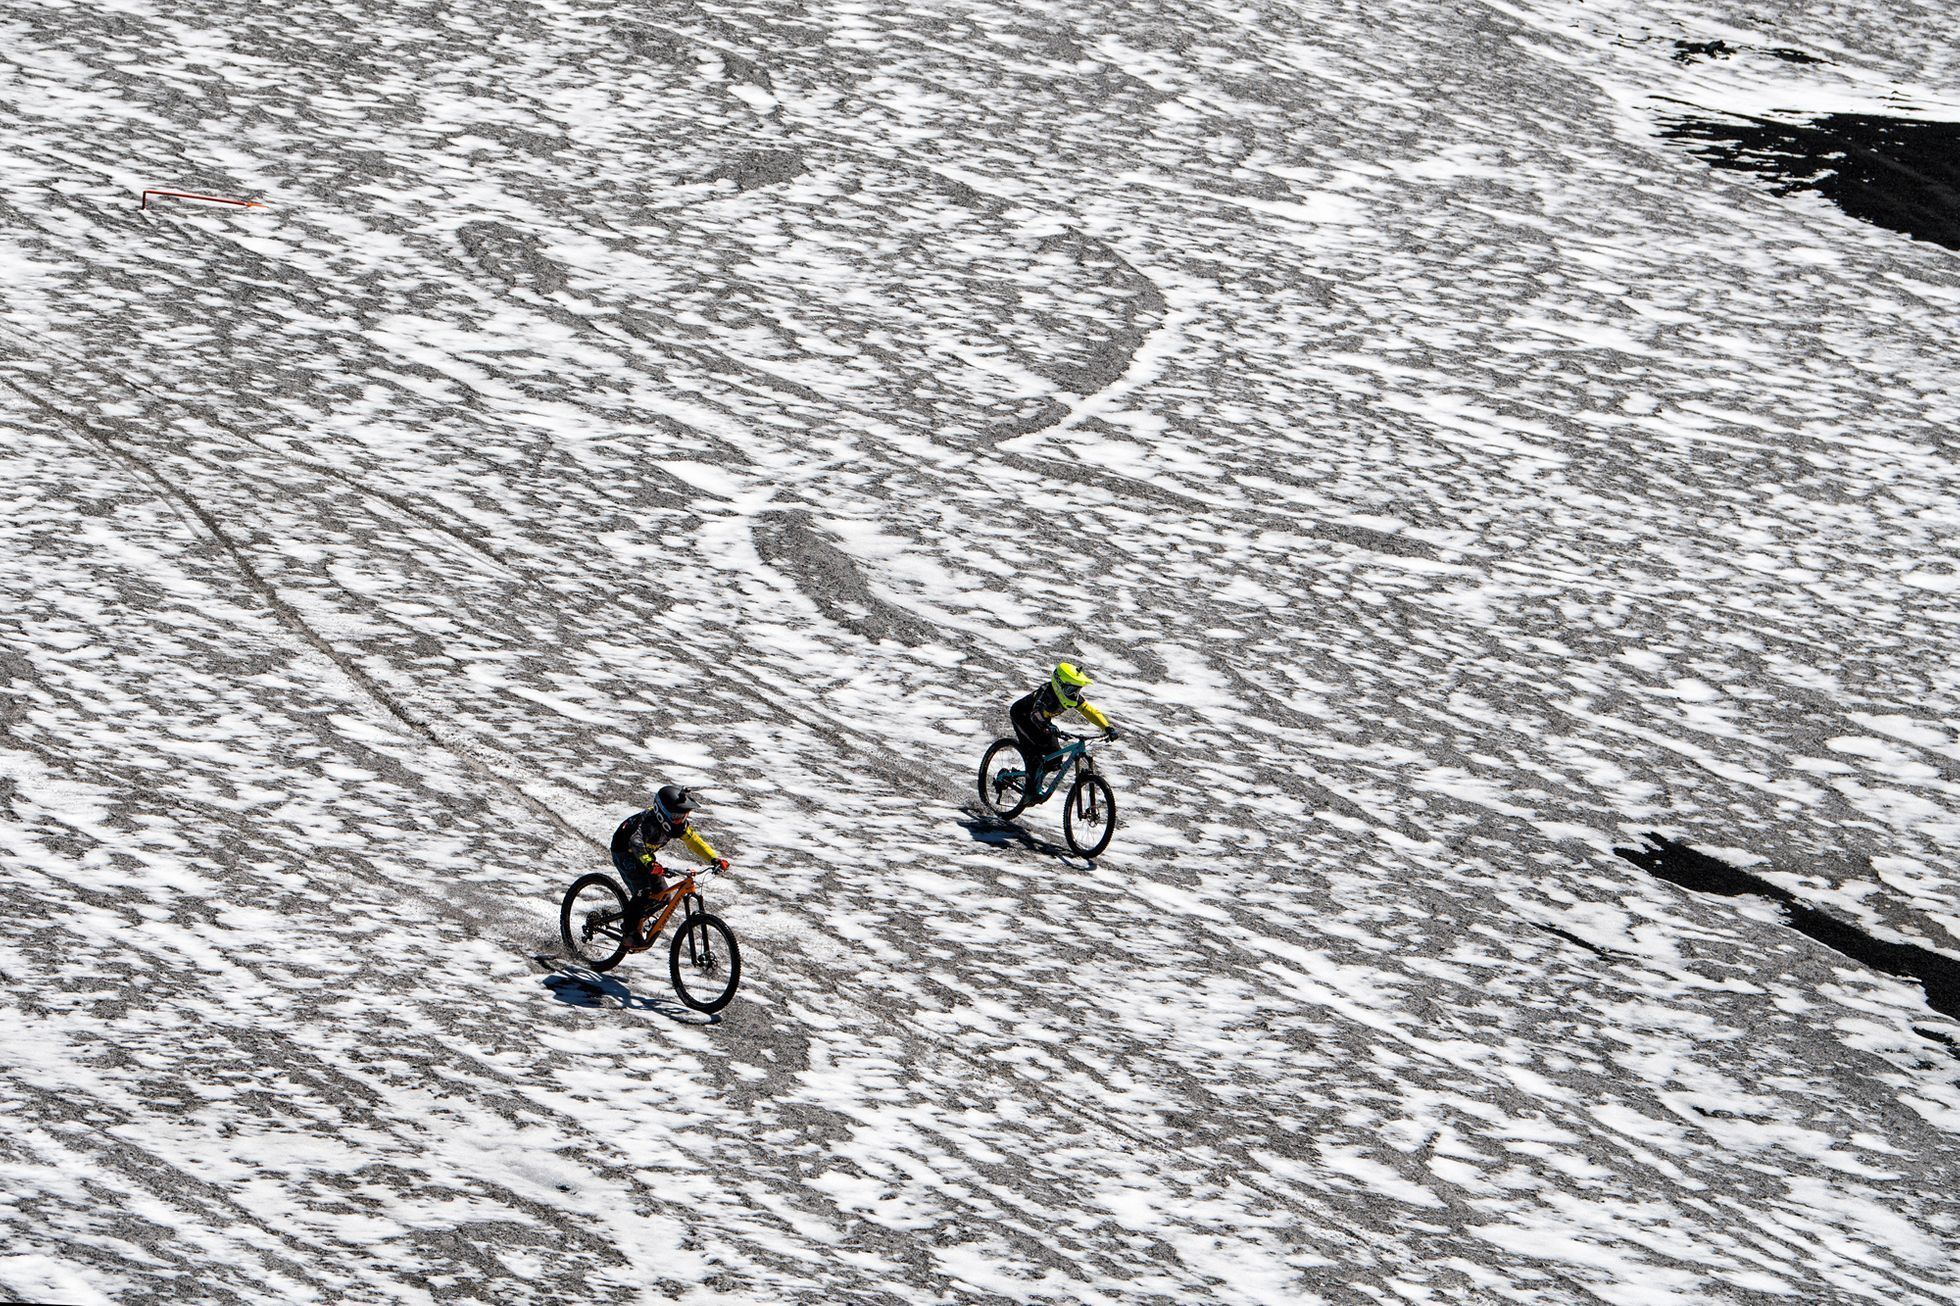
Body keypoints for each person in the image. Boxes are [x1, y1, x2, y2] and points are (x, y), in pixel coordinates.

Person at [1010, 662, 1118, 802]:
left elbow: (1090, 712)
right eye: (1070, 690)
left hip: (1043, 722)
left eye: (1076, 690)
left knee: (1055, 757)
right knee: (1034, 756)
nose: (1074, 695)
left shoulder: (1072, 698)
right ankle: (1029, 792)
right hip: (1023, 717)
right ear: (1059, 684)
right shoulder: (1047, 693)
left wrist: (1106, 727)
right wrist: (1047, 726)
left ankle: (1036, 779)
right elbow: (1035, 713)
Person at [610, 785, 728, 911]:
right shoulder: (646, 824)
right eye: (676, 816)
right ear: (662, 813)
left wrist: (714, 859)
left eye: (684, 816)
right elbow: (636, 844)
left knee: (664, 896)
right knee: (643, 894)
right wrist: (650, 863)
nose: (681, 820)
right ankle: (630, 928)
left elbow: (694, 841)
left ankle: (643, 921)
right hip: (624, 852)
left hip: (645, 855)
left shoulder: (678, 825)